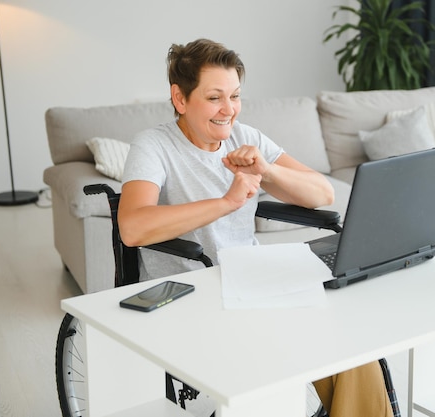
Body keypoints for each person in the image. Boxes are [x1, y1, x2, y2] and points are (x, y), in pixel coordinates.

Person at [119, 38, 393, 417]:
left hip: (253, 283)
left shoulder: (246, 137)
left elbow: (322, 191)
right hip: (192, 294)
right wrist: (226, 203)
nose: (228, 110)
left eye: (235, 96)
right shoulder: (153, 146)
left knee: (353, 349)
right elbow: (132, 227)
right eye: (215, 97)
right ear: (180, 99)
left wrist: (267, 169)